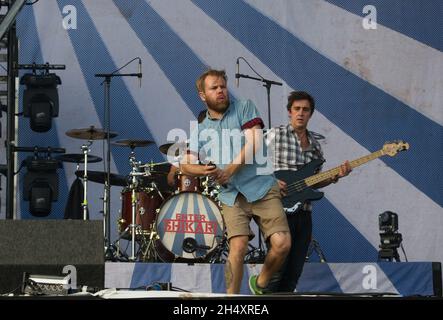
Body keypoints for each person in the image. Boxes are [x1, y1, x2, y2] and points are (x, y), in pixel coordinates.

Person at [180, 69, 291, 294]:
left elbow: (254, 143)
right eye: (214, 88)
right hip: (232, 195)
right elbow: (185, 164)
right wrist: (205, 170)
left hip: (262, 186)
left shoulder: (244, 107)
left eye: (223, 86)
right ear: (203, 95)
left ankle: (260, 283)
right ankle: (231, 300)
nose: (221, 91)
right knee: (237, 248)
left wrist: (228, 171)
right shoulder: (201, 129)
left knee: (282, 244)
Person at [267, 91, 352, 293]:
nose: (300, 113)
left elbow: (312, 183)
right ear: (289, 112)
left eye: (305, 110)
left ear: (311, 114)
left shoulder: (315, 145)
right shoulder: (274, 135)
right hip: (277, 208)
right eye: (296, 109)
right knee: (278, 269)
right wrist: (269, 181)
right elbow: (252, 164)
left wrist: (334, 177)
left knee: (294, 271)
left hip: (304, 210)